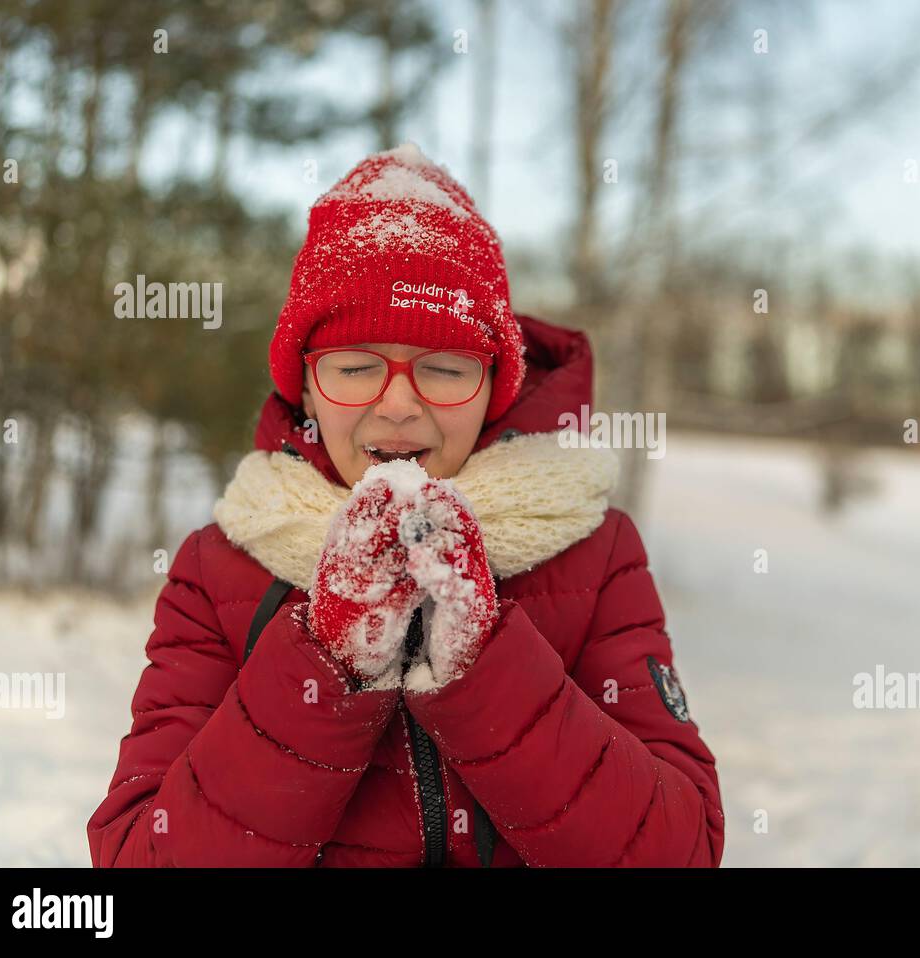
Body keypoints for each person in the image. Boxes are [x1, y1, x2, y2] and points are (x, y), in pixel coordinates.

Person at [86, 144, 724, 867]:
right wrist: (323, 668)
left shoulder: (590, 547)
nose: (397, 404)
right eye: (356, 367)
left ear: (495, 386)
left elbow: (682, 851)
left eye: (444, 369)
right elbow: (138, 856)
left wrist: (483, 671)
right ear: (306, 384)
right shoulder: (221, 566)